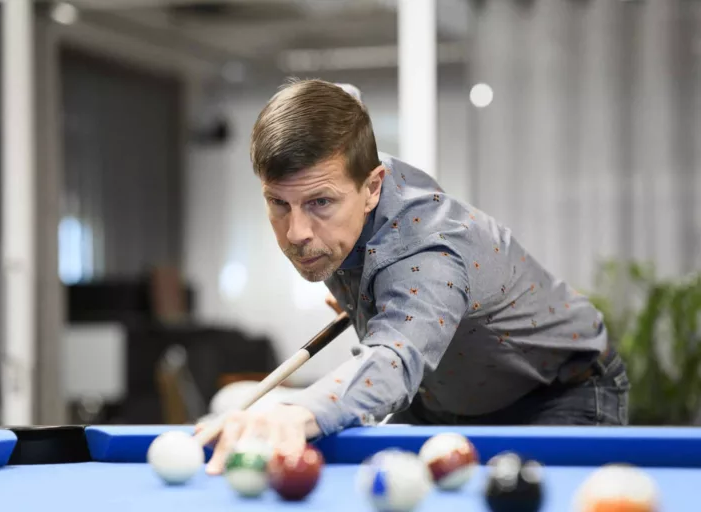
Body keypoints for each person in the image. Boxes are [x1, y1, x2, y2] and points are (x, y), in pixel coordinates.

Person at [200, 78, 630, 474]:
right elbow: (344, 99)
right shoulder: (345, 156)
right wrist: (370, 298)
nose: (296, 233)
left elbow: (395, 359)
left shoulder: (430, 249)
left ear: (373, 187)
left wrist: (295, 412)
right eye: (278, 203)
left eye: (320, 203)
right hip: (440, 398)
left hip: (555, 393)